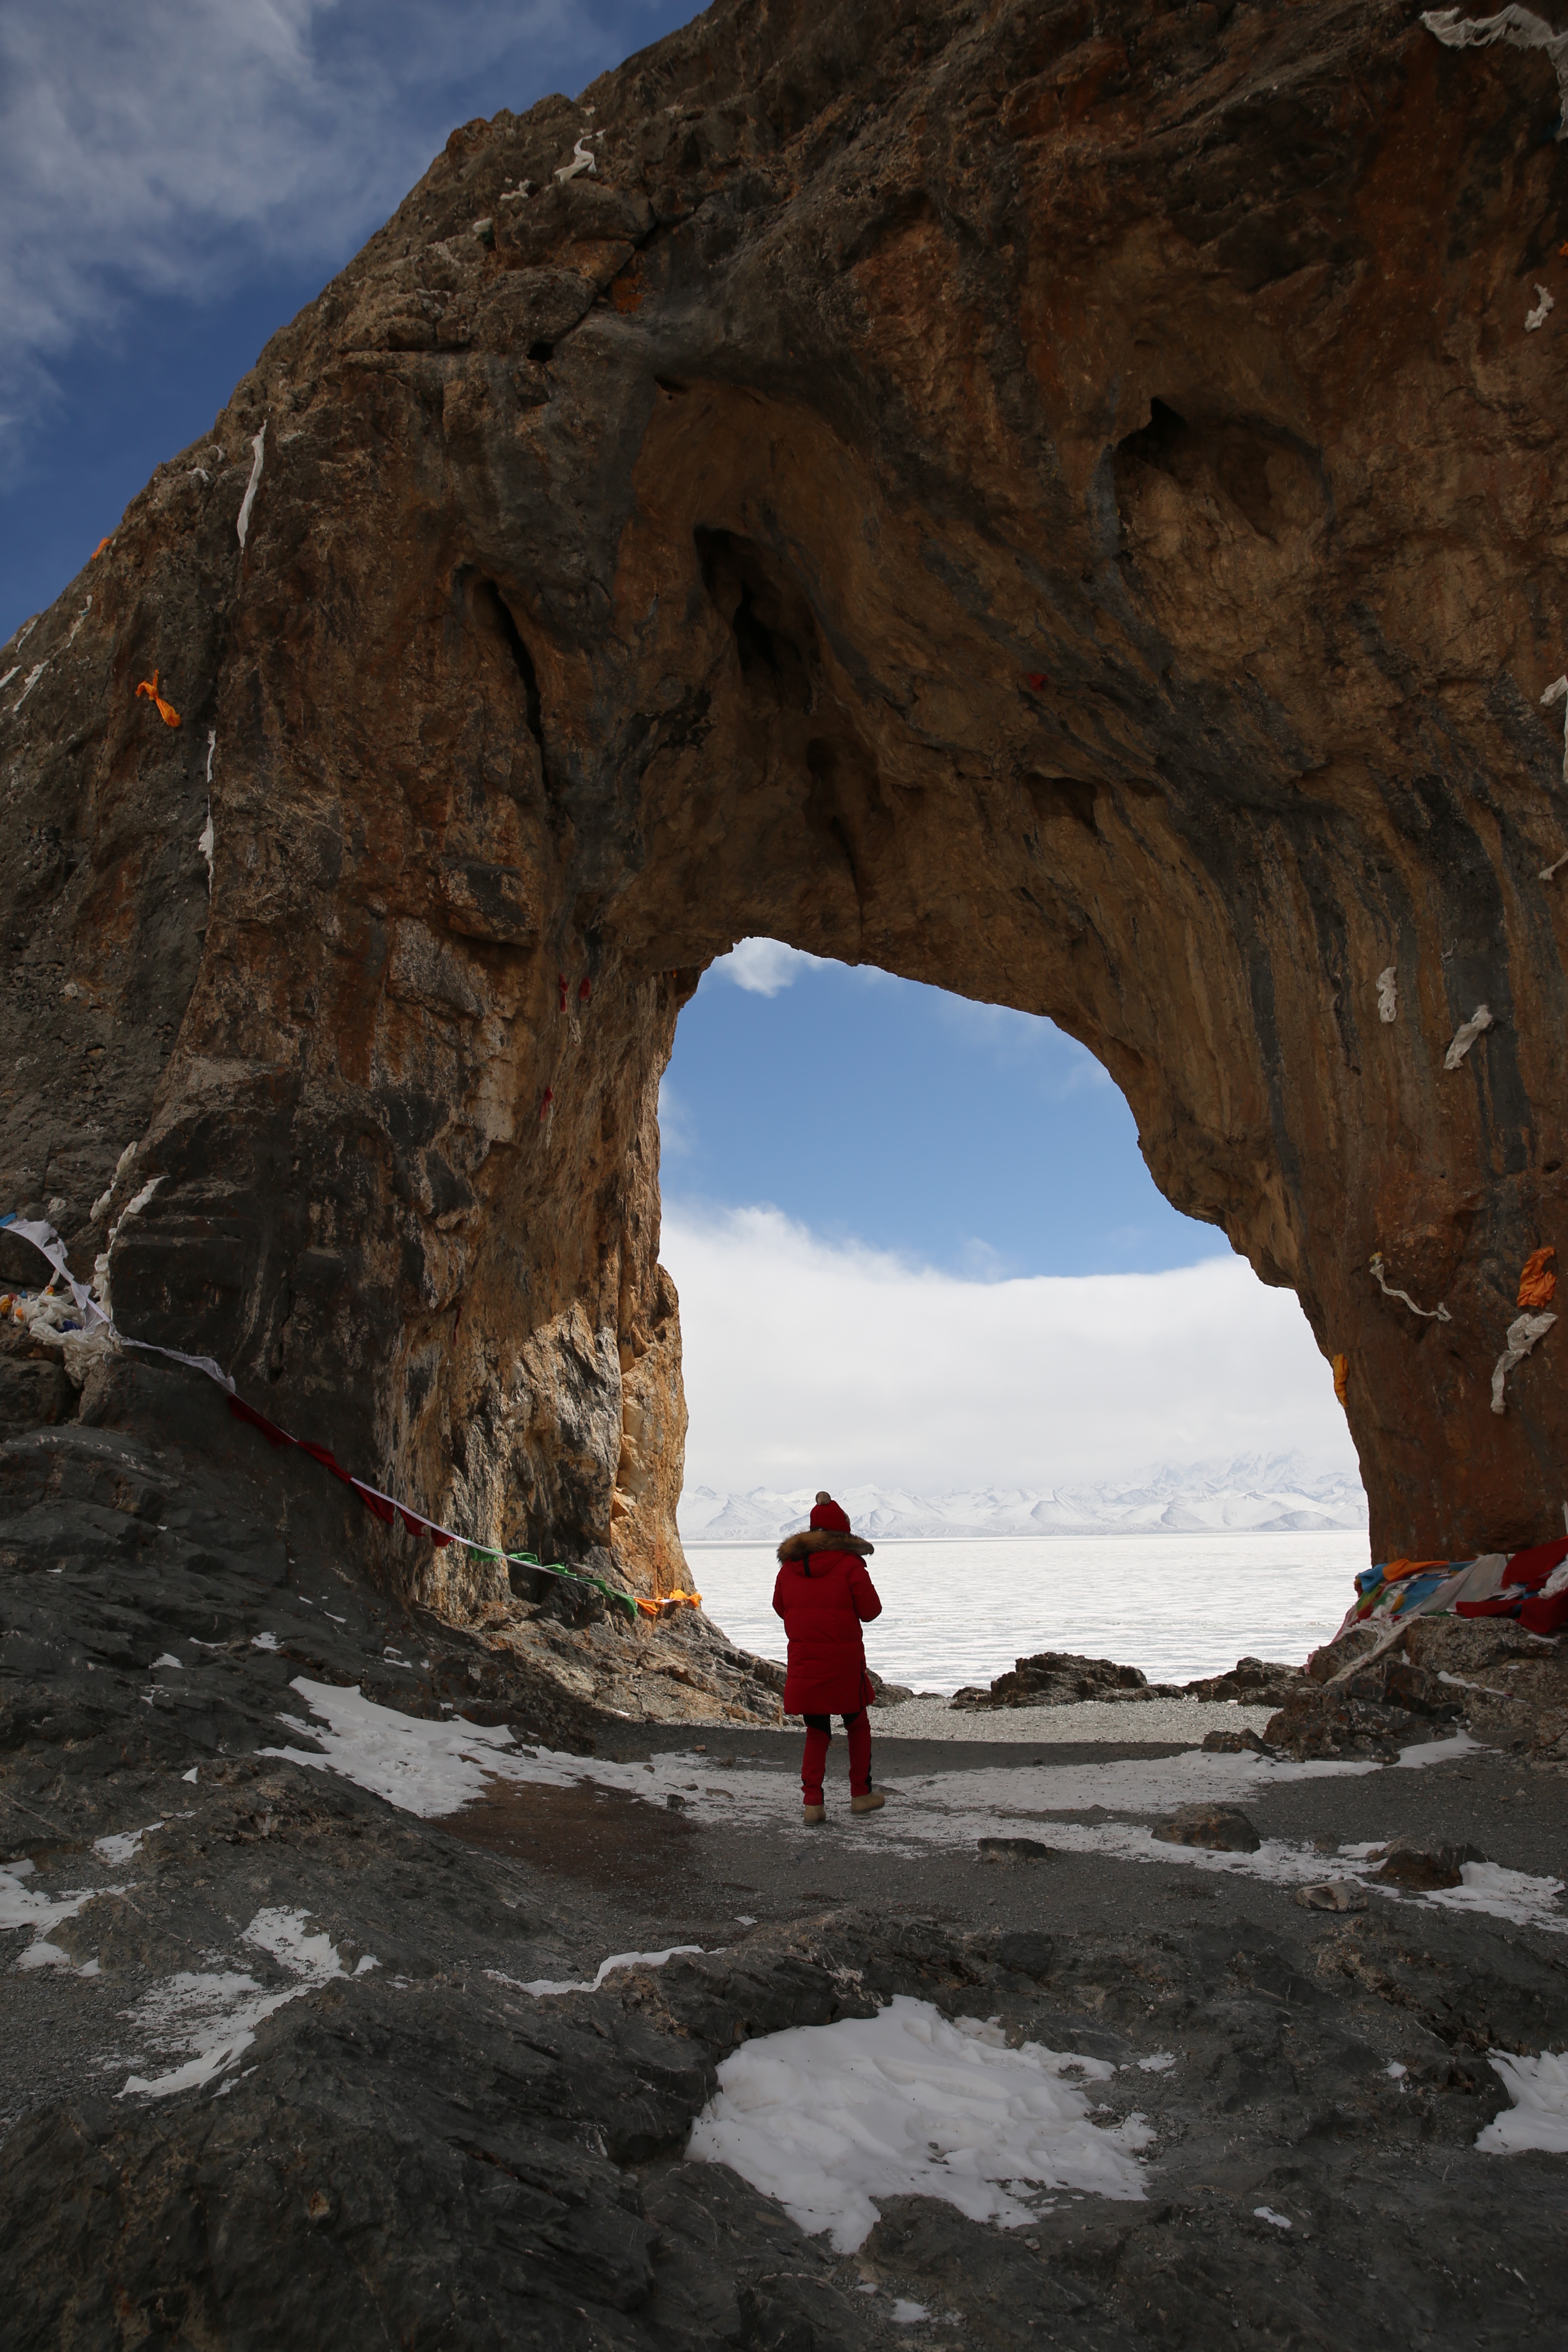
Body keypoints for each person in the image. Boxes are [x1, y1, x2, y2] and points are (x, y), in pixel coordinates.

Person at [773, 1491, 885, 1824]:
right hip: (844, 1662)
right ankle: (860, 1795)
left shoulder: (788, 1570)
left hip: (805, 1660)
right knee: (857, 1724)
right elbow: (871, 1611)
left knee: (817, 1730)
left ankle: (813, 1804)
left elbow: (781, 1608)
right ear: (843, 1533)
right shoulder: (850, 1565)